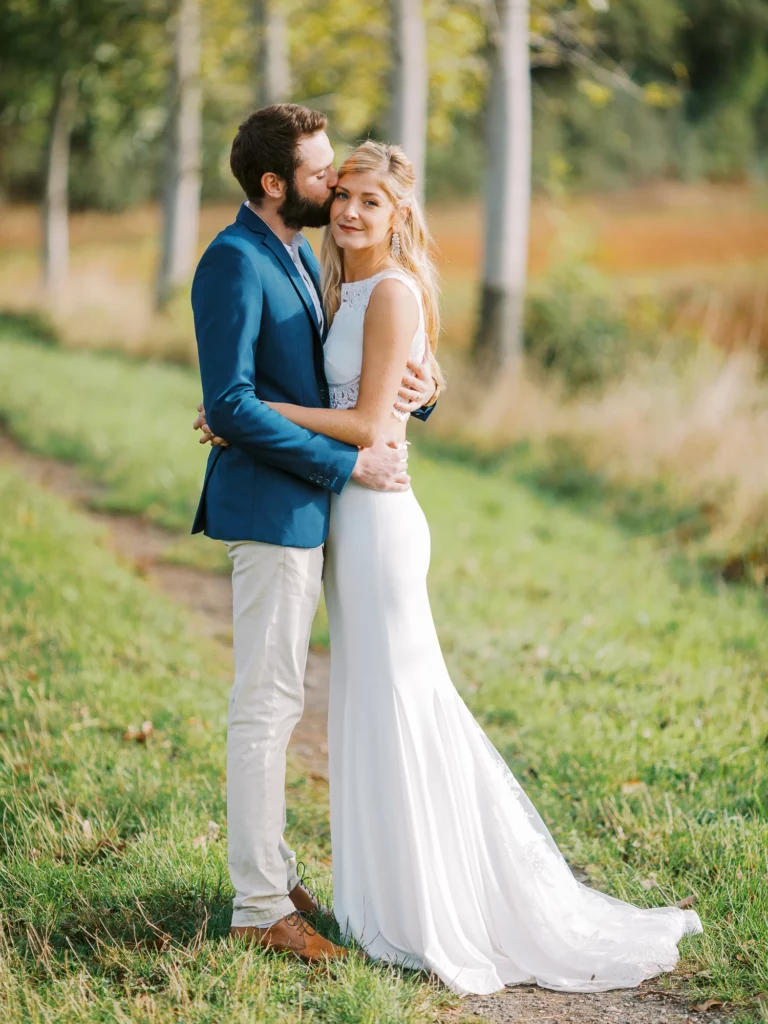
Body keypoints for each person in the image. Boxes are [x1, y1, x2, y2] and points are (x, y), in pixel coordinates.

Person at [198, 137, 703, 996]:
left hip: (379, 520)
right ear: (287, 185)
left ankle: (438, 902)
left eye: (367, 199)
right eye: (339, 188)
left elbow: (366, 420)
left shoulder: (384, 285)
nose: (347, 206)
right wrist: (401, 392)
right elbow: (372, 390)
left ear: (400, 215)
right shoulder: (318, 276)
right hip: (340, 513)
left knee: (403, 699)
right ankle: (366, 896)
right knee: (362, 703)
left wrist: (243, 411)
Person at [190, 105, 438, 964]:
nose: (335, 187)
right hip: (272, 510)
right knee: (265, 708)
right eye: (321, 173)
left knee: (289, 702)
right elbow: (230, 406)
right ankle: (260, 907)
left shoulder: (299, 254)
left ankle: (276, 875)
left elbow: (351, 371)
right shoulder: (233, 262)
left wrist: (421, 385)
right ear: (274, 183)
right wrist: (347, 465)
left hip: (315, 511)